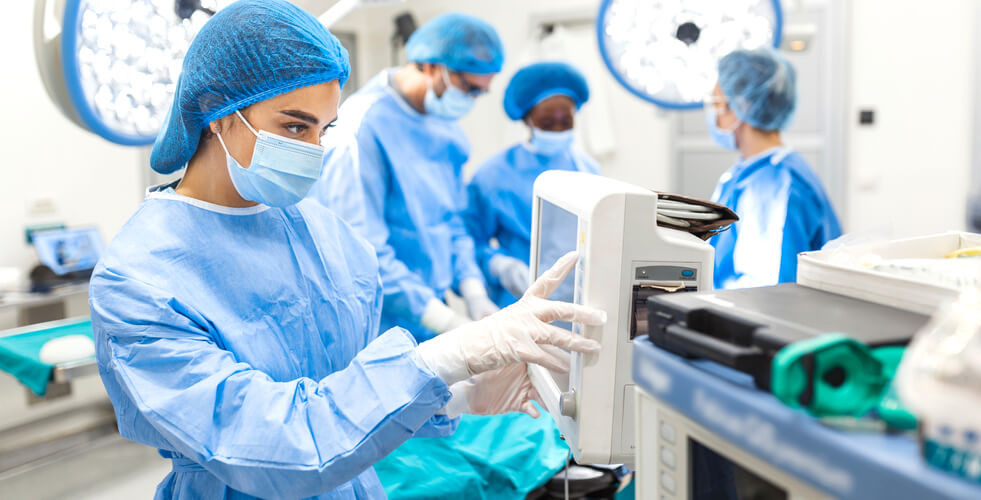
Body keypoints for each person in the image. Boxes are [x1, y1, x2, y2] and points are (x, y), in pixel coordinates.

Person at [87, 2, 604, 498]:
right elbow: (283, 442)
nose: (313, 151)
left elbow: (348, 389)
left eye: (323, 128)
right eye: (293, 126)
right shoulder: (139, 280)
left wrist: (464, 394)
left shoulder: (327, 237)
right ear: (214, 111)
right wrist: (451, 352)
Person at [309, 13, 503, 342]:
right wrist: (446, 322)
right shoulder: (362, 129)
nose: (470, 100)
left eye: (479, 93)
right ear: (431, 66)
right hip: (376, 320)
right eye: (468, 87)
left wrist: (474, 292)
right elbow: (363, 252)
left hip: (429, 308)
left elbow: (451, 221)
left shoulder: (447, 130)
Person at [705, 48, 842, 289]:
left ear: (741, 106)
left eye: (717, 103)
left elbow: (764, 294)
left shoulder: (773, 185)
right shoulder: (749, 173)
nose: (713, 114)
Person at [464, 62, 598, 307]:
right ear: (527, 119)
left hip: (578, 301)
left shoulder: (587, 169)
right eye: (548, 123)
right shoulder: (494, 174)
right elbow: (468, 240)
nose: (558, 128)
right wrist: (499, 265)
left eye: (566, 121)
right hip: (518, 300)